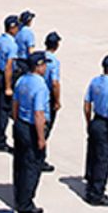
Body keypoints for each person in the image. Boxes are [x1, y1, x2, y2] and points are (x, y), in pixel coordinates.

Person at [12, 52, 50, 213]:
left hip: (20, 124)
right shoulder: (40, 85)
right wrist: (41, 138)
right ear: (39, 66)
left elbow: (15, 104)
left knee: (20, 163)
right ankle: (26, 204)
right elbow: (39, 114)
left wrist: (16, 122)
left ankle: (19, 196)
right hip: (32, 129)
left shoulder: (21, 80)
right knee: (32, 166)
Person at [84, 53, 108, 207]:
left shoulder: (95, 82)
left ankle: (90, 186)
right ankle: (97, 194)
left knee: (93, 156)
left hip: (95, 121)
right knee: (103, 159)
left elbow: (87, 104)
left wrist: (89, 122)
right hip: (106, 125)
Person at [0, 15, 20, 152]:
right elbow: (9, 66)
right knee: (3, 109)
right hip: (6, 77)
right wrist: (8, 87)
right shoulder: (12, 45)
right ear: (12, 28)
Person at [42, 32, 62, 173]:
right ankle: (40, 158)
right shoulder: (54, 62)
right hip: (47, 97)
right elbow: (55, 83)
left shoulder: (41, 57)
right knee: (45, 128)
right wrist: (57, 100)